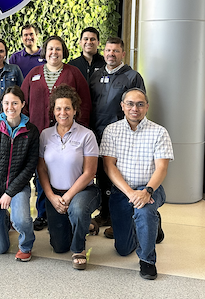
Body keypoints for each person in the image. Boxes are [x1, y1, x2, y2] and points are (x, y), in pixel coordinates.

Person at [100, 88, 173, 280]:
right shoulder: (112, 131)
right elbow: (109, 166)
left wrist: (146, 191)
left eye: (140, 104)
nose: (135, 108)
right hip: (122, 190)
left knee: (144, 210)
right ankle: (150, 227)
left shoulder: (159, 132)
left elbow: (161, 169)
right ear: (122, 106)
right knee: (123, 249)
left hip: (150, 188)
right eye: (130, 104)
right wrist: (130, 192)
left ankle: (147, 260)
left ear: (147, 107)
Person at [21, 35, 92, 232]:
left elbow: (84, 103)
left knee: (67, 171)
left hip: (69, 134)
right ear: (45, 51)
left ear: (64, 52)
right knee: (42, 172)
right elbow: (23, 103)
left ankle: (71, 208)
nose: (54, 52)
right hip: (41, 135)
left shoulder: (73, 73)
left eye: (58, 49)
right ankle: (44, 212)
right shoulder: (34, 74)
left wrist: (80, 127)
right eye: (50, 49)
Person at [37, 85, 100, 270]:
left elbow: (90, 172)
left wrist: (67, 197)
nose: (62, 112)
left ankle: (79, 249)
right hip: (55, 193)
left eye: (67, 108)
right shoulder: (45, 135)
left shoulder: (87, 135)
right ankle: (86, 225)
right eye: (58, 108)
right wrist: (51, 197)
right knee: (59, 247)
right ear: (53, 111)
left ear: (75, 110)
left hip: (83, 191)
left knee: (78, 209)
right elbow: (41, 169)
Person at [89, 37, 145, 235]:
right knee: (102, 176)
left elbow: (137, 108)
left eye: (115, 51)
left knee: (120, 176)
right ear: (103, 52)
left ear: (123, 54)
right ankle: (104, 213)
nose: (111, 54)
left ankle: (120, 218)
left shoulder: (132, 77)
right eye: (108, 50)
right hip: (97, 134)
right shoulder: (96, 76)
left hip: (121, 137)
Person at [0, 86, 39, 261]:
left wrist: (9, 193)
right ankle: (5, 220)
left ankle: (26, 246)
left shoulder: (32, 131)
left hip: (18, 187)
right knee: (0, 248)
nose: (10, 107)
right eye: (6, 103)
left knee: (21, 220)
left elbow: (30, 167)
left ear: (22, 104)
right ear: (2, 104)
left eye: (14, 103)